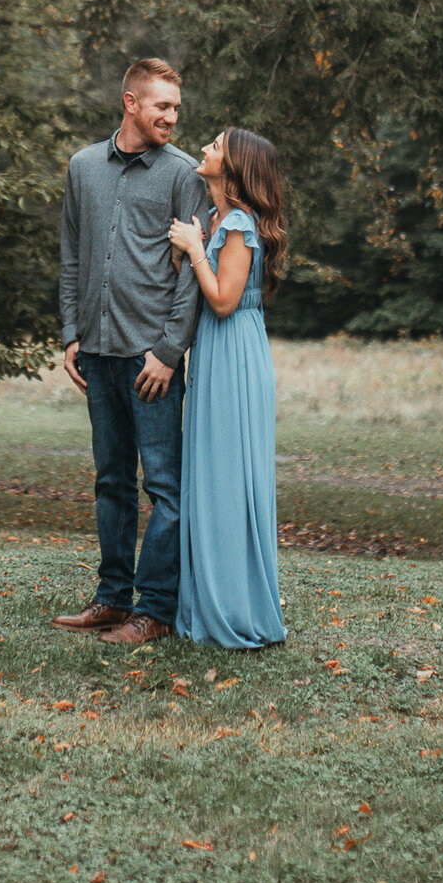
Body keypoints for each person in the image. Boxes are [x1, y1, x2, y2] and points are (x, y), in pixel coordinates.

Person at [50, 58, 208, 647]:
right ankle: (112, 599)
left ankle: (156, 609)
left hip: (152, 360)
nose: (172, 117)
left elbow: (194, 273)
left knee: (163, 486)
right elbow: (72, 255)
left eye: (176, 108)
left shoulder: (184, 174)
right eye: (162, 106)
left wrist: (169, 350)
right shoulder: (83, 167)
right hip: (96, 352)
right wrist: (71, 333)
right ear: (130, 102)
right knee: (111, 479)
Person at [167, 128, 290, 649]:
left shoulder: (238, 225)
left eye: (215, 147)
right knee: (211, 476)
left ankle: (236, 609)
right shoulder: (218, 219)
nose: (204, 150)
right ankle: (207, 598)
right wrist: (193, 246)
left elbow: (221, 299)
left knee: (230, 479)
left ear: (234, 167)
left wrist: (195, 248)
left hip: (235, 351)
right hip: (213, 353)